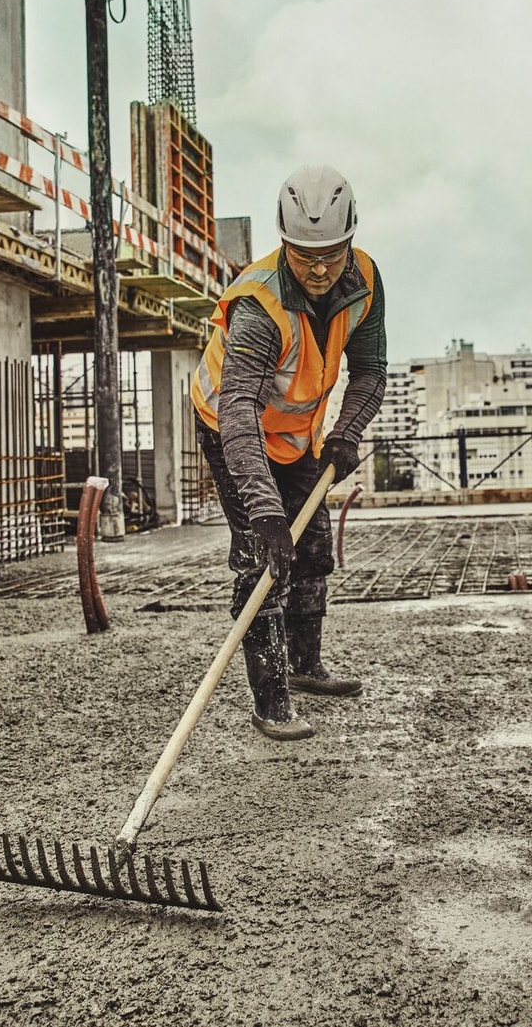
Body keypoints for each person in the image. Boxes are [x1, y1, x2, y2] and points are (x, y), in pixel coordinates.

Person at [191, 165, 387, 741]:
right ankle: (271, 701)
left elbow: (370, 370)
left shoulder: (367, 280)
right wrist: (265, 512)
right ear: (284, 243)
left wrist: (347, 433)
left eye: (331, 253)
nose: (320, 268)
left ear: (350, 239)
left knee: (314, 548)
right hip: (233, 430)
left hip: (299, 434)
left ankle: (305, 667)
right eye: (305, 255)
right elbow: (237, 412)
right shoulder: (258, 305)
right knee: (263, 560)